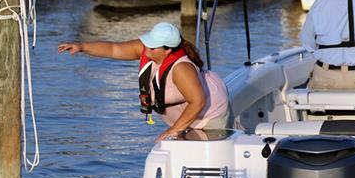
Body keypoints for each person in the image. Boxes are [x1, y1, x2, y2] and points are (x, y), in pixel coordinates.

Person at [58, 22, 229, 141]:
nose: (146, 49)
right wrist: (82, 46)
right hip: (184, 118)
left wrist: (172, 131)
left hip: (208, 117)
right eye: (147, 43)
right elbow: (113, 48)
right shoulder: (150, 50)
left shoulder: (181, 69)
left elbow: (198, 101)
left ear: (168, 50)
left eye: (152, 46)